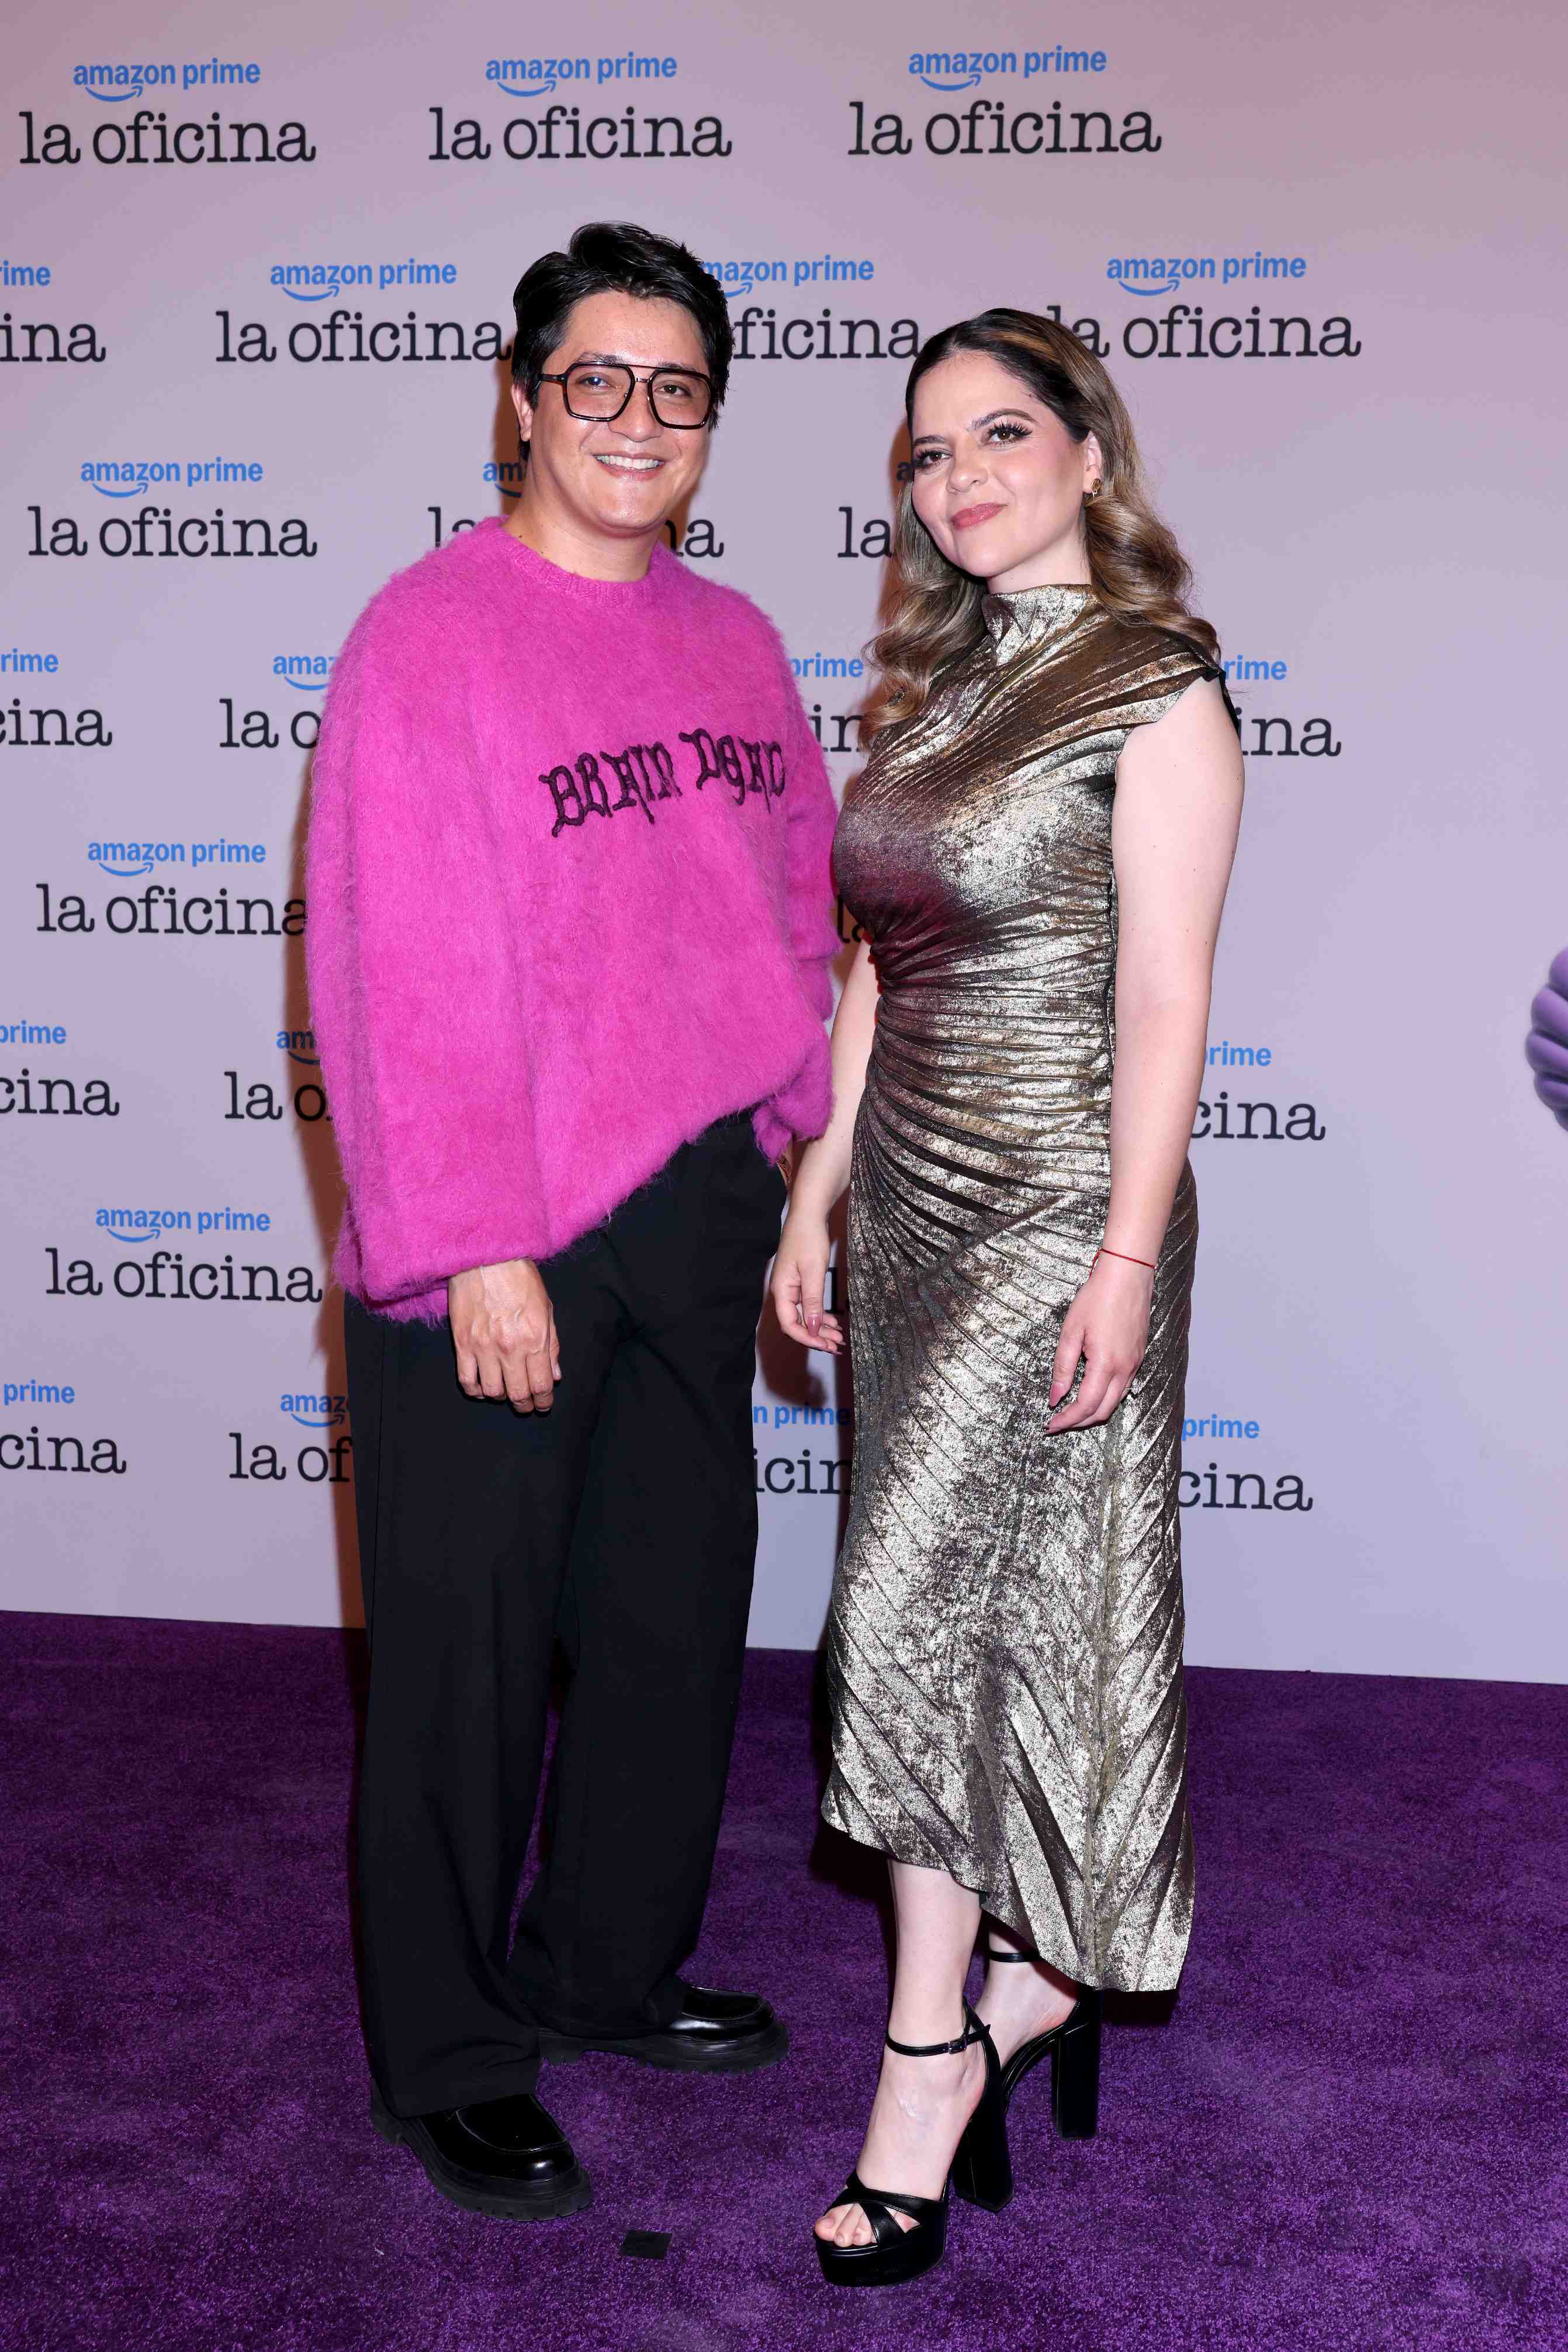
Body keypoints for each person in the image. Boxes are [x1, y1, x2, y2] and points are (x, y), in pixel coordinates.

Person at [306, 222, 840, 2220]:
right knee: (461, 1664)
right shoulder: (427, 636)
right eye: (596, 379)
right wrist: (475, 1241)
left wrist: (803, 1150)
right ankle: (450, 2056)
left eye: (675, 387)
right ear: (522, 399)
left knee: (667, 1624)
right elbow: (402, 965)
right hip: (502, 1223)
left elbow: (789, 914)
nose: (636, 419)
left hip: (699, 1200)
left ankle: (604, 1970)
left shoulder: (737, 642)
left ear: (710, 419)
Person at [773, 309, 1244, 2287]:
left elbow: (1163, 1000)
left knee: (908, 1617)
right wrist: (816, 1183)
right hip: (907, 1201)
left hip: (1060, 1208)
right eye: (926, 451)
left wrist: (1123, 1256)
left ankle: (930, 2059)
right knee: (965, 1618)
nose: (957, 478)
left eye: (997, 434)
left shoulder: (1157, 688)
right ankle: (1027, 1987)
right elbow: (872, 967)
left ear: (1087, 456)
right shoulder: (931, 692)